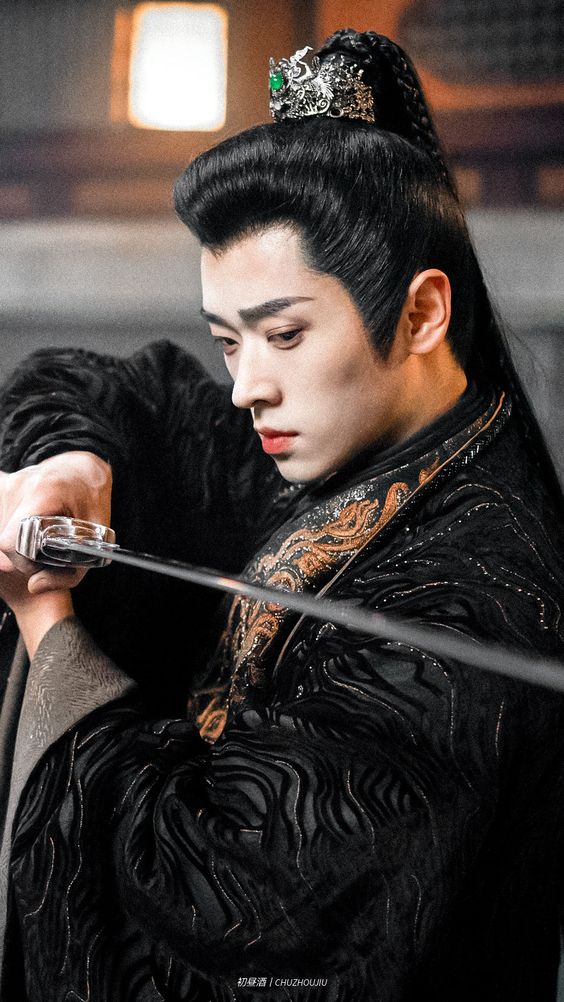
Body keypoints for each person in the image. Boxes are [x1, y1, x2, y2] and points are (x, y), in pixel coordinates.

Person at [0, 27, 563, 1002]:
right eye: (229, 340)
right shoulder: (334, 428)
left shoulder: (479, 593)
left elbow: (238, 905)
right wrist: (73, 465)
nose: (245, 388)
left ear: (422, 314)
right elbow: (109, 388)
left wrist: (51, 627)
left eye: (285, 334)